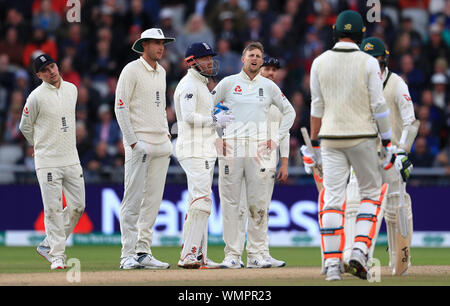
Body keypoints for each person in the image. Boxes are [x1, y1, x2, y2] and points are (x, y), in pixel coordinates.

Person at [301, 10, 399, 281]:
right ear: (361, 34)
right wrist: (388, 140)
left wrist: (316, 144)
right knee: (370, 195)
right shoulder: (368, 63)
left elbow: (317, 106)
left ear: (335, 32)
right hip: (363, 137)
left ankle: (332, 265)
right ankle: (358, 250)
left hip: (331, 137)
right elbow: (379, 106)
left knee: (333, 198)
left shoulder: (319, 62)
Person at [212, 42, 295, 269]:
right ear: (243, 59)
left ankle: (257, 255)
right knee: (231, 204)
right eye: (251, 55)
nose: (255, 58)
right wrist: (218, 132)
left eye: (259, 55)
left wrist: (275, 138)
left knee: (258, 203)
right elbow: (207, 108)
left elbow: (290, 112)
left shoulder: (268, 87)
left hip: (258, 150)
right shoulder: (228, 83)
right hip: (232, 149)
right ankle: (232, 255)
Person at [343, 37, 416, 276]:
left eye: (377, 59)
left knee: (396, 209)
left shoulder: (396, 84)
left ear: (384, 60)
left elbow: (410, 122)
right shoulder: (355, 84)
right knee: (354, 203)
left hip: (390, 156)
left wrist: (402, 151)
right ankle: (354, 257)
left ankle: (400, 261)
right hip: (362, 153)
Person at [114, 28, 175, 270]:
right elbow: (120, 107)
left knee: (152, 201)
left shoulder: (162, 71)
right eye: (157, 43)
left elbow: (160, 106)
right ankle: (127, 254)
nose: (161, 48)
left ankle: (143, 251)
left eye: (163, 44)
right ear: (144, 45)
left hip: (161, 143)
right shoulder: (131, 70)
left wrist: (167, 133)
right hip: (140, 142)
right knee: (133, 199)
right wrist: (131, 141)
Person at [19, 53, 85, 270]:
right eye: (45, 70)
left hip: (71, 158)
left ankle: (48, 244)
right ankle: (57, 255)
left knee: (78, 206)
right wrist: (39, 145)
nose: (52, 71)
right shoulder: (35, 97)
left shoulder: (72, 90)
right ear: (39, 75)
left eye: (53, 66)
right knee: (53, 209)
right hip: (47, 160)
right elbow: (25, 127)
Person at [174, 42, 234, 269]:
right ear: (192, 61)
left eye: (211, 58)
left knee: (197, 203)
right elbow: (189, 117)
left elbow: (203, 117)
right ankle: (189, 255)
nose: (210, 62)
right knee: (202, 201)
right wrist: (214, 120)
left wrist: (217, 114)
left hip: (203, 149)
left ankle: (199, 256)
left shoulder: (202, 86)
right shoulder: (189, 84)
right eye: (205, 58)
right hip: (193, 149)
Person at [235, 56, 289, 268]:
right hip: (246, 158)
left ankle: (260, 253)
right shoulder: (246, 93)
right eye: (267, 69)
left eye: (274, 70)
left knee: (262, 208)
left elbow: (283, 133)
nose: (271, 73)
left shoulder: (279, 98)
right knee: (241, 208)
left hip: (268, 161)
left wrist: (284, 162)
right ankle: (235, 254)